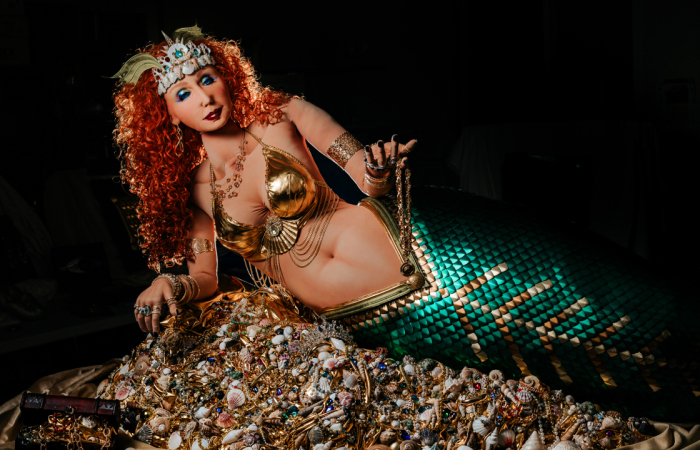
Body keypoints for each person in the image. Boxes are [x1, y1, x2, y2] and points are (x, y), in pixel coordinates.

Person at [11, 26, 695, 450]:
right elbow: (208, 277)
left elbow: (360, 168)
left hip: (423, 256)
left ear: (224, 72)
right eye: (183, 93)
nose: (204, 97)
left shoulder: (280, 113)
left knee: (600, 306)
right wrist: (169, 283)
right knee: (555, 374)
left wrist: (378, 166)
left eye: (206, 77)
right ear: (165, 116)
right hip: (369, 323)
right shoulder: (194, 188)